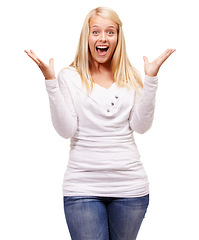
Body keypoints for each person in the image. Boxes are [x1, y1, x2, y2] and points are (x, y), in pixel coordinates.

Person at [24, 6, 175, 240]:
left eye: (110, 32)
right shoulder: (69, 76)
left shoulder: (132, 77)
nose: (103, 38)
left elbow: (141, 127)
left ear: (118, 37)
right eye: (96, 32)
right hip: (82, 187)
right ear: (87, 36)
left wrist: (151, 79)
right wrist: (50, 82)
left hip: (130, 188)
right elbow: (66, 130)